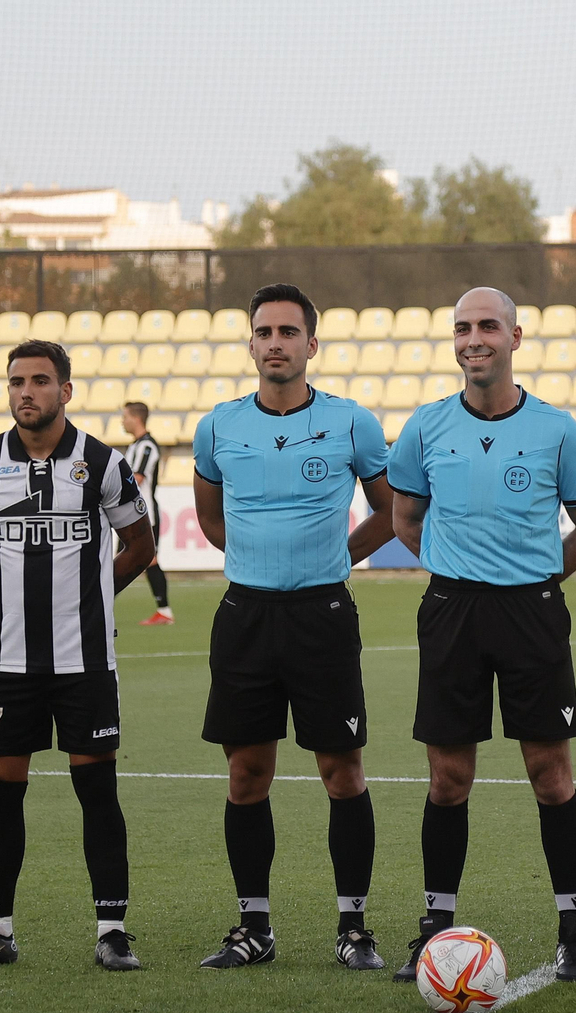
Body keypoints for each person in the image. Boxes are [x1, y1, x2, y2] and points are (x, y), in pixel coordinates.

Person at [386, 285, 576, 983]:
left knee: (550, 774)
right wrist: (460, 569)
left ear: (514, 337)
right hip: (452, 611)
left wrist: (535, 577)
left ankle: (574, 930)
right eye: (462, 328)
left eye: (487, 326)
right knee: (448, 778)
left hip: (530, 613)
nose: (473, 339)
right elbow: (405, 519)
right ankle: (435, 929)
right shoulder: (425, 426)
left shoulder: (556, 430)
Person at [191, 283, 396, 970]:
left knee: (342, 770)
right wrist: (259, 561)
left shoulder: (351, 422)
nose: (275, 343)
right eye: (264, 332)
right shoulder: (218, 427)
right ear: (250, 345)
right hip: (245, 617)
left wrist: (335, 557)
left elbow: (391, 511)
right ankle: (253, 927)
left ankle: (354, 928)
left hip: (322, 616)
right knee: (247, 774)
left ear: (312, 344)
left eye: (287, 332)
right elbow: (211, 518)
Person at [0, 339, 157, 972]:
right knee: (0, 794)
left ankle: (112, 932)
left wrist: (91, 599)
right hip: (7, 662)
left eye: (39, 381)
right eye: (16, 382)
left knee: (98, 792)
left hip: (84, 661)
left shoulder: (103, 462)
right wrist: (14, 592)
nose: (26, 392)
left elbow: (140, 545)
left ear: (65, 390)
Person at [122, 401, 175, 626]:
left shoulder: (147, 446)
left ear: (136, 419)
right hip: (129, 514)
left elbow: (138, 478)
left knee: (147, 560)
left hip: (145, 515)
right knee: (122, 561)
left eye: (125, 416)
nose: (122, 421)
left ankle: (164, 611)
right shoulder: (135, 446)